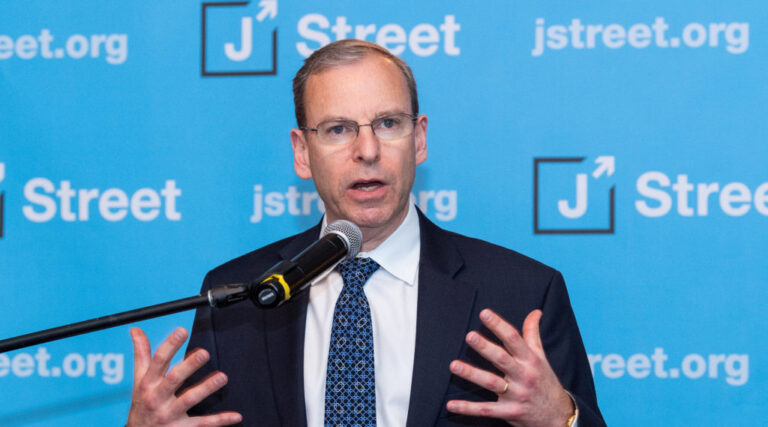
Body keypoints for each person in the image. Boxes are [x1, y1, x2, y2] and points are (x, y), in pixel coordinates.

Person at [127, 39, 605, 427]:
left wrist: (561, 419)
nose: (368, 150)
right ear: (301, 151)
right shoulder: (240, 298)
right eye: (338, 129)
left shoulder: (520, 293)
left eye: (388, 123)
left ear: (418, 139)